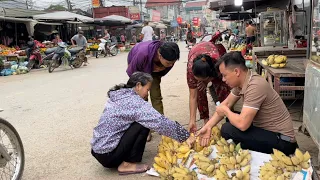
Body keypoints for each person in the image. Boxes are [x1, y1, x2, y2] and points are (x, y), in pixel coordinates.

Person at [91, 72, 194, 175]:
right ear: (138, 86)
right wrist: (185, 136)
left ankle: (123, 158)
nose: (147, 93)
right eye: (147, 89)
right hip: (108, 155)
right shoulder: (134, 102)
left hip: (97, 150)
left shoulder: (120, 95)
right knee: (144, 123)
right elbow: (159, 122)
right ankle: (127, 164)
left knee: (140, 120)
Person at [197, 51, 298, 156]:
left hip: (284, 142)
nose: (223, 79)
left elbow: (242, 124)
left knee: (228, 129)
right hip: (270, 133)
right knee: (231, 119)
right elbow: (225, 105)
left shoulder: (255, 86)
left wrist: (226, 111)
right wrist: (208, 127)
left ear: (236, 72)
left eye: (224, 75)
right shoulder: (243, 82)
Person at [127, 41, 180, 141]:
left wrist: (160, 69)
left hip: (155, 70)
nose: (171, 65)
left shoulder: (169, 57)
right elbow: (132, 74)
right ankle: (145, 130)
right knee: (142, 100)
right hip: (139, 69)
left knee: (156, 97)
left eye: (173, 63)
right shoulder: (142, 54)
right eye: (168, 63)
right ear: (159, 55)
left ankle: (161, 125)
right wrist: (140, 89)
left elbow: (163, 70)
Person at [187, 42, 230, 133]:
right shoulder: (191, 69)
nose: (200, 81)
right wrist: (192, 120)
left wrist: (206, 82)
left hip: (212, 62)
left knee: (223, 89)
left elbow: (221, 77)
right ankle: (206, 122)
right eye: (197, 79)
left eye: (203, 79)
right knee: (199, 91)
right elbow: (193, 96)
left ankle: (228, 115)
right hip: (197, 55)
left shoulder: (217, 63)